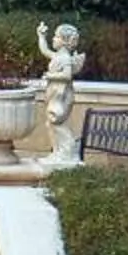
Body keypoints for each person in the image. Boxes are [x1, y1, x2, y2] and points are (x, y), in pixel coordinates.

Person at [37, 21, 86, 161]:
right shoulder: (58, 55)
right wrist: (41, 36)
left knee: (56, 122)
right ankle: (57, 152)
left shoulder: (65, 59)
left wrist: (50, 75)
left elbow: (67, 75)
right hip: (55, 93)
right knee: (51, 123)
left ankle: (68, 150)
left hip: (62, 94)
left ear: (64, 42)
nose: (53, 39)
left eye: (56, 37)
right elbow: (45, 50)